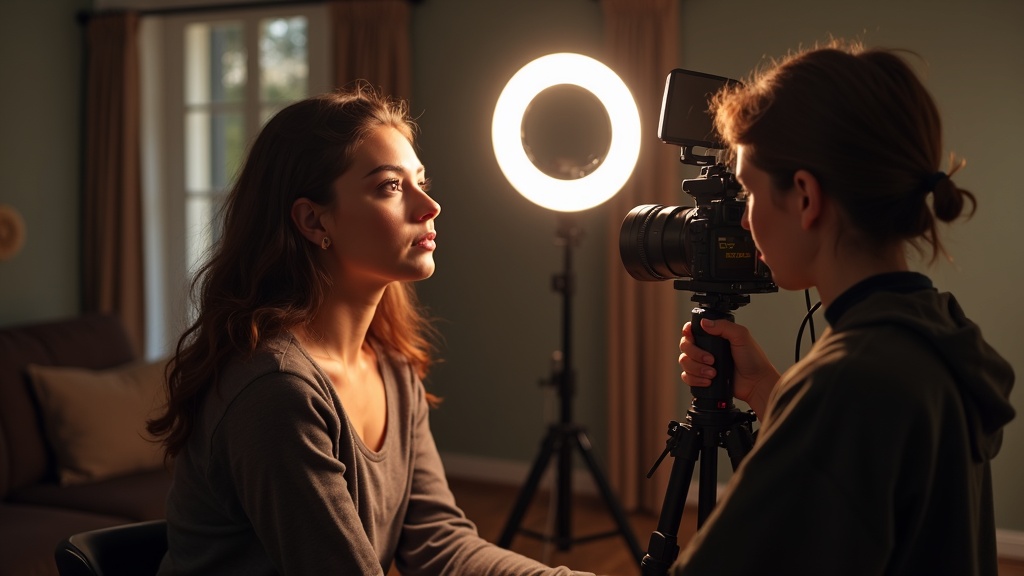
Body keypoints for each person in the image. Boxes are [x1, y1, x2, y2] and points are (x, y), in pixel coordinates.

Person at [147, 84, 592, 576]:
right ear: (314, 220)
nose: (429, 206)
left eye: (421, 180)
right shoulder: (276, 391)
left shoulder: (392, 366)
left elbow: (439, 544)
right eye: (390, 186)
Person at [669, 41, 1015, 575]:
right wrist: (769, 392)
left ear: (806, 197)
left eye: (750, 194)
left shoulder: (847, 383)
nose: (743, 221)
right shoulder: (939, 334)